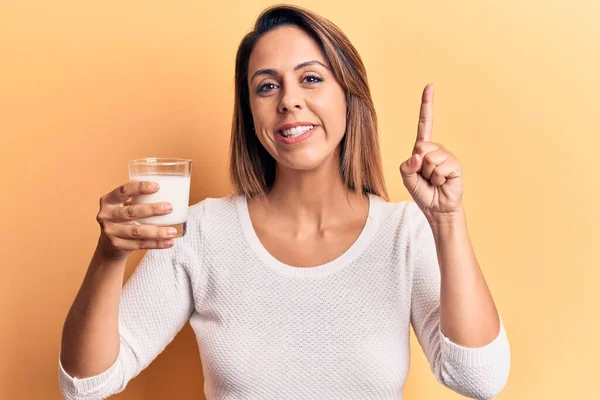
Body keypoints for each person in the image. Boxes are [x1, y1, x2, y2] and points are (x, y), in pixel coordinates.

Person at [59, 4, 510, 400]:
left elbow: (479, 379)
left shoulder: (403, 234)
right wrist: (109, 255)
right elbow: (86, 384)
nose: (289, 101)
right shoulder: (200, 233)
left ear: (350, 97)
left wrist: (446, 221)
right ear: (251, 112)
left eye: (311, 79)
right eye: (266, 86)